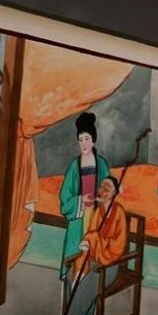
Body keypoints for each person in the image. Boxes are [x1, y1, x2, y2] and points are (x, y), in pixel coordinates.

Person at [50, 177, 128, 315]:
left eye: (107, 189)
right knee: (71, 276)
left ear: (114, 193)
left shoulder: (119, 213)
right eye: (102, 187)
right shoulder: (98, 212)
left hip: (110, 264)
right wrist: (88, 244)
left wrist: (94, 241)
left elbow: (117, 247)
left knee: (85, 286)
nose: (102, 191)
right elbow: (90, 235)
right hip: (94, 258)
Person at [58, 112, 110, 286]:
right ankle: (73, 289)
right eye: (80, 140)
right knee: (76, 256)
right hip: (78, 218)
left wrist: (99, 199)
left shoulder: (101, 164)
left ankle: (90, 289)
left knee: (94, 257)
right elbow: (65, 196)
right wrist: (81, 200)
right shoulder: (74, 166)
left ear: (93, 140)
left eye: (87, 139)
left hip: (96, 217)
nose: (84, 144)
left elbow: (108, 190)